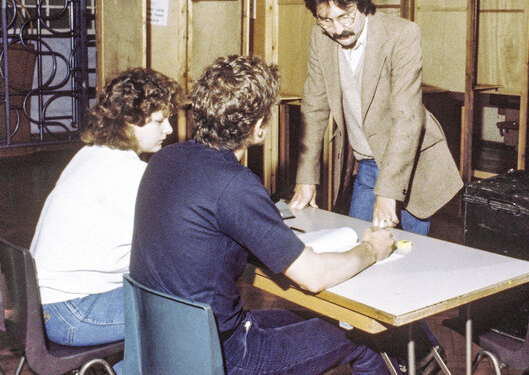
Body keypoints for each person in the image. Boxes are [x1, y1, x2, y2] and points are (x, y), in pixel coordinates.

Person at [129, 54, 396, 375]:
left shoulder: (165, 159)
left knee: (312, 322)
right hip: (222, 354)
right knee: (363, 336)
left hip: (166, 345)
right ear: (258, 128)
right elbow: (314, 278)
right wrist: (371, 249)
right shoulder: (234, 183)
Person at [289, 0, 463, 236]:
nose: (337, 29)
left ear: (360, 2)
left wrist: (389, 191)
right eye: (326, 20)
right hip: (367, 165)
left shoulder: (401, 34)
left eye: (345, 16)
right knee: (359, 248)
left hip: (411, 165)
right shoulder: (320, 38)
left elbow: (407, 118)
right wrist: (306, 178)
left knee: (414, 258)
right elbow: (314, 108)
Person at [30, 67, 180, 351]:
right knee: (190, 311)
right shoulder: (129, 172)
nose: (169, 129)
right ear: (129, 122)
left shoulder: (90, 154)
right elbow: (161, 254)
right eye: (160, 120)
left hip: (39, 307)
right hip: (71, 312)